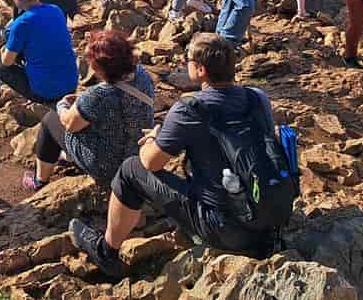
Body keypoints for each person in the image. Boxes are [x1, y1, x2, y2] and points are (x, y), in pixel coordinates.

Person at [71, 35, 290, 278]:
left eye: (187, 60)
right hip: (271, 219)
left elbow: (150, 162)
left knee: (130, 169)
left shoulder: (190, 108)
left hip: (225, 228)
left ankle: (106, 250)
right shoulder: (257, 98)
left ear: (200, 69)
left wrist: (154, 139)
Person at [24, 31, 153, 191]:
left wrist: (62, 105)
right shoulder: (142, 74)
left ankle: (39, 181)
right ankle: (68, 158)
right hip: (137, 155)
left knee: (50, 120)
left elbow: (70, 125)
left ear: (100, 68)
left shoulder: (97, 95)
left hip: (107, 166)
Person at [0, 0, 79, 120]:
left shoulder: (21, 23)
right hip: (70, 85)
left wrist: (5, 48)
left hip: (45, 93)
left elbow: (7, 62)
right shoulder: (56, 10)